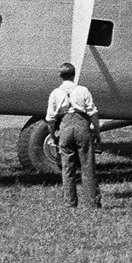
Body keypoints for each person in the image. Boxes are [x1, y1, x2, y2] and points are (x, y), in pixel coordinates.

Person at [46, 62, 101, 208]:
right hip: (82, 127)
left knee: (67, 168)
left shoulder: (55, 93)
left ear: (60, 76)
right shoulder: (83, 90)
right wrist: (96, 131)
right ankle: (93, 202)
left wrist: (53, 136)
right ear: (74, 74)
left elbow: (50, 119)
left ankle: (70, 203)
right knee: (87, 165)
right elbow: (93, 112)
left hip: (65, 127)